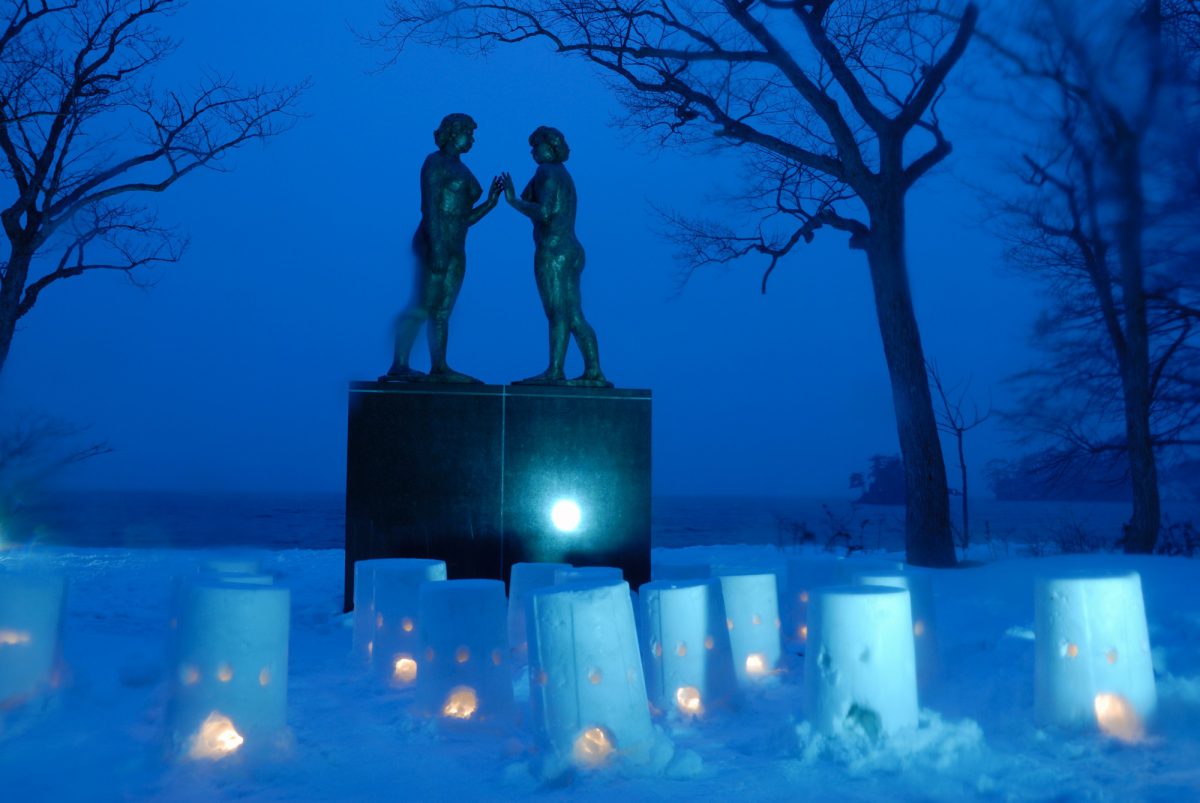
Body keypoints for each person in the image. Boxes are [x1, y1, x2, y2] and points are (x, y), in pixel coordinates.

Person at [383, 113, 503, 383]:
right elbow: (429, 208)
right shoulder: (434, 162)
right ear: (453, 132)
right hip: (434, 241)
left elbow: (463, 219)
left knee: (443, 309)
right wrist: (436, 246)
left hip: (456, 244)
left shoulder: (463, 168)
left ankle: (440, 365)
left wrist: (490, 203)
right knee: (423, 303)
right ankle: (399, 363)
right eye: (469, 133)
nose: (472, 139)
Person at [503, 126, 610, 387]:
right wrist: (523, 193)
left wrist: (511, 200)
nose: (532, 151)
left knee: (557, 312)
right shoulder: (560, 173)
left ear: (549, 147)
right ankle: (593, 371)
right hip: (571, 249)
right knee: (573, 315)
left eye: (536, 145)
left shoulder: (547, 172)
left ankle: (555, 370)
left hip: (554, 252)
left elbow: (544, 212)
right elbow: (533, 196)